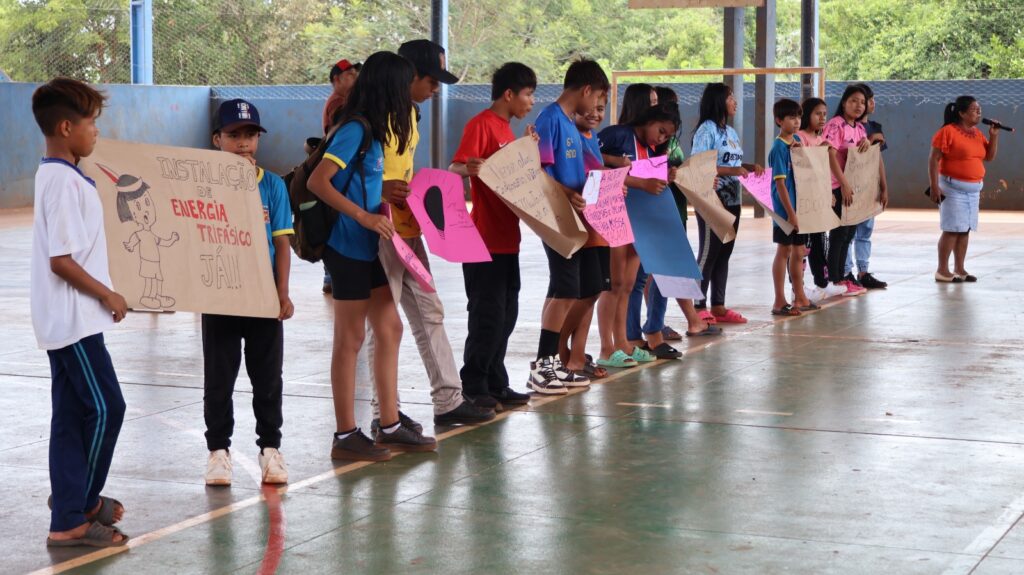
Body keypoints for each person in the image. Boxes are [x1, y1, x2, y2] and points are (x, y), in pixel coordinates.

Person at [307, 51, 436, 461]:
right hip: (347, 246)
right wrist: (363, 215)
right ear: (388, 89)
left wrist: (383, 197)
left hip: (373, 244)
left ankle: (390, 423)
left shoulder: (377, 134)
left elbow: (360, 181)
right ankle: (345, 434)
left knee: (390, 327)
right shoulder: (355, 129)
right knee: (350, 338)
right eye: (402, 86)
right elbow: (318, 182)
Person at [363, 39, 494, 431]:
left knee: (428, 310)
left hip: (408, 229)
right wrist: (382, 191)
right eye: (431, 80)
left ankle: (448, 400)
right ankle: (381, 411)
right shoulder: (370, 118)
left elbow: (404, 173)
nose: (436, 89)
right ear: (410, 75)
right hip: (379, 230)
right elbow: (355, 176)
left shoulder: (412, 116)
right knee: (383, 324)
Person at [31, 78, 129, 547]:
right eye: (91, 124)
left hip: (69, 320)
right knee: (108, 408)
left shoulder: (62, 175)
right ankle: (79, 506)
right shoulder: (62, 182)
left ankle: (70, 504)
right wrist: (108, 295)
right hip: (75, 322)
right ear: (66, 127)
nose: (95, 133)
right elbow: (61, 260)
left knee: (71, 418)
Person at [203, 99, 294, 486]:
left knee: (268, 378)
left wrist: (282, 293)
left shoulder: (272, 186)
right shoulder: (203, 185)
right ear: (217, 139)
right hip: (219, 298)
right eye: (234, 135)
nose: (243, 143)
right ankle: (218, 452)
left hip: (262, 300)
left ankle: (270, 449)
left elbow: (283, 245)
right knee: (219, 379)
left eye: (250, 135)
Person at [450, 62, 538, 410]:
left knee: (507, 314)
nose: (531, 102)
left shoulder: (508, 131)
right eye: (528, 94)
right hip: (483, 239)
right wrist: (468, 167)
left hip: (508, 239)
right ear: (508, 94)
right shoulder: (482, 125)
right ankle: (473, 384)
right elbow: (457, 166)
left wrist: (528, 151)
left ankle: (496, 381)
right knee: (486, 315)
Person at [529, 57, 609, 395]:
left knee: (567, 289)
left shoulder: (569, 124)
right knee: (564, 289)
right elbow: (539, 172)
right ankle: (542, 365)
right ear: (587, 90)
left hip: (576, 219)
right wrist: (568, 194)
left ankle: (552, 364)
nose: (596, 107)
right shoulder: (550, 119)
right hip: (557, 217)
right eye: (598, 99)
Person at [597, 103, 681, 366]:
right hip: (612, 216)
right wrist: (634, 178)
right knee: (612, 285)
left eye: (667, 136)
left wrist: (664, 177)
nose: (661, 138)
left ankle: (624, 343)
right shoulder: (618, 135)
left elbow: (643, 180)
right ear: (649, 119)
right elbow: (591, 162)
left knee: (627, 284)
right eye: (661, 130)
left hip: (637, 221)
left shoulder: (649, 149)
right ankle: (606, 348)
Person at [691, 83, 764, 324]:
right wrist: (733, 170)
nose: (735, 102)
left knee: (725, 252)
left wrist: (750, 167)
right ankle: (698, 305)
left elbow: (733, 164)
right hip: (713, 199)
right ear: (718, 101)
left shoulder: (730, 133)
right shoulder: (706, 130)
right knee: (709, 251)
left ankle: (719, 306)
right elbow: (700, 165)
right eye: (731, 97)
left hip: (733, 198)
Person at [822, 85, 887, 297]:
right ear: (843, 103)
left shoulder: (859, 128)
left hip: (853, 188)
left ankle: (843, 276)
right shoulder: (835, 125)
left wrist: (866, 144)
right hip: (838, 187)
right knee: (839, 234)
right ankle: (835, 279)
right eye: (853, 101)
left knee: (849, 233)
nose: (858, 105)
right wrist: (843, 184)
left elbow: (862, 156)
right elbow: (829, 156)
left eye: (862, 101)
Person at [929, 95, 1000, 282]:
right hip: (952, 188)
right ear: (961, 113)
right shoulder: (947, 132)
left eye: (979, 109)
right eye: (974, 109)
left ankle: (959, 268)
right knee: (952, 229)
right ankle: (942, 270)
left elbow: (989, 157)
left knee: (964, 229)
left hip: (973, 190)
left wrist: (993, 136)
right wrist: (934, 186)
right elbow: (933, 159)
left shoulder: (977, 133)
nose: (979, 112)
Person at [568, 92, 611, 379]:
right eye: (591, 108)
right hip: (581, 228)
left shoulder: (592, 139)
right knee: (580, 293)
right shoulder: (570, 140)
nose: (596, 113)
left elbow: (598, 177)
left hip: (601, 226)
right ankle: (566, 354)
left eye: (601, 108)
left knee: (592, 292)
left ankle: (578, 353)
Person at [798, 97, 847, 303]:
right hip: (804, 201)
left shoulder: (820, 140)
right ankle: (797, 287)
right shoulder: (800, 138)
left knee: (820, 242)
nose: (822, 118)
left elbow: (823, 173)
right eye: (817, 113)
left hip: (819, 198)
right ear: (806, 114)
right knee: (803, 245)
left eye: (824, 114)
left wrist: (828, 195)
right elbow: (801, 164)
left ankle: (822, 282)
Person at [319, 59, 361, 295]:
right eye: (351, 74)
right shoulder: (338, 103)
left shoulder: (344, 102)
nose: (355, 78)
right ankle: (331, 274)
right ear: (337, 79)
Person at [768, 98, 812, 316]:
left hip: (799, 208)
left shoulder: (795, 141)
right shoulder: (778, 148)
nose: (796, 121)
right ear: (779, 120)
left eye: (799, 117)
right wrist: (791, 214)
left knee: (799, 251)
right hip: (784, 210)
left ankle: (800, 296)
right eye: (791, 117)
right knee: (784, 250)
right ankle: (779, 300)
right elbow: (780, 184)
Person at [842, 83, 888, 290]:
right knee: (848, 232)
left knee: (866, 231)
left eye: (867, 100)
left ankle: (863, 271)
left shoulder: (875, 127)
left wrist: (883, 186)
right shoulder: (843, 127)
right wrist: (869, 140)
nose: (870, 103)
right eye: (862, 100)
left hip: (869, 186)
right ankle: (846, 271)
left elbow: (877, 159)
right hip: (850, 186)